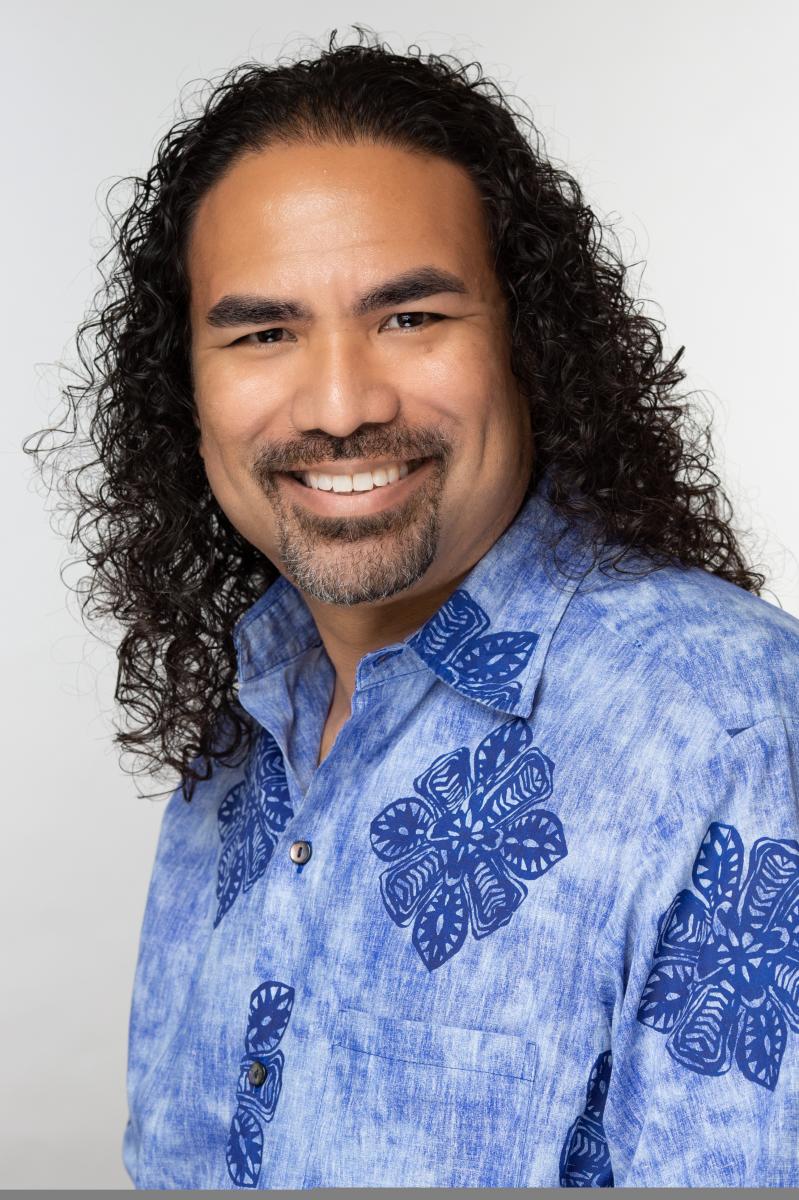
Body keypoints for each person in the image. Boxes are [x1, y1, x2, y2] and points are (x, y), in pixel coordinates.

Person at [24, 28, 799, 1190]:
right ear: (186, 387)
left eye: (411, 318)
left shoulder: (728, 726)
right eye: (264, 333)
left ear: (527, 347)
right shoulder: (243, 731)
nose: (339, 405)